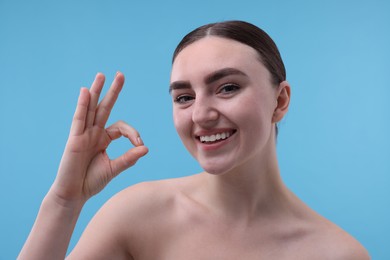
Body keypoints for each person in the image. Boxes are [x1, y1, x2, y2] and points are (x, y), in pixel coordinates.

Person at [18, 20, 370, 259]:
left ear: (280, 101)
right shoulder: (138, 215)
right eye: (184, 97)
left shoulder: (337, 252)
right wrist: (64, 201)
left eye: (227, 88)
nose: (201, 114)